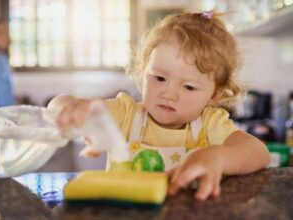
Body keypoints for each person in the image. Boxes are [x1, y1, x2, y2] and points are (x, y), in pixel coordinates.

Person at [47, 11, 270, 201]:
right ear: (143, 71)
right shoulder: (126, 113)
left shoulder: (210, 124)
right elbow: (57, 106)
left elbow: (259, 153)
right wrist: (71, 107)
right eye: (159, 78)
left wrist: (217, 158)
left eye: (189, 87)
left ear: (214, 94)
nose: (169, 94)